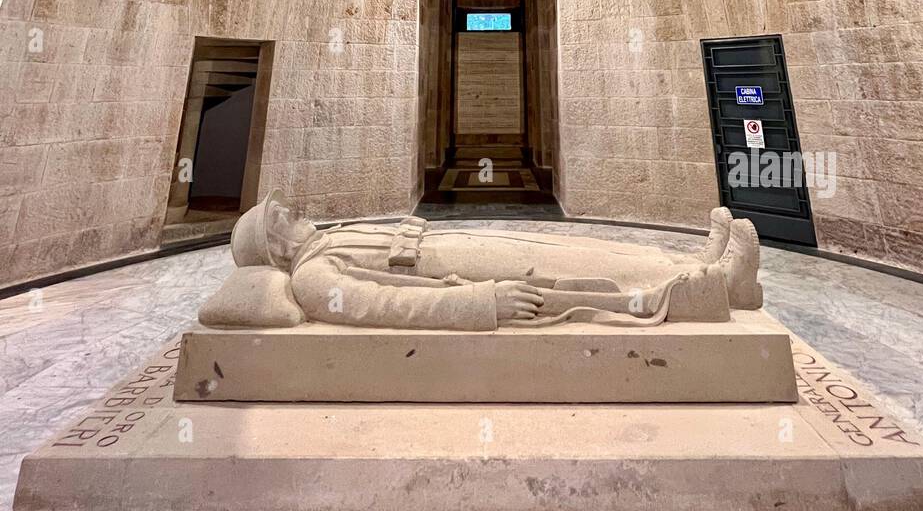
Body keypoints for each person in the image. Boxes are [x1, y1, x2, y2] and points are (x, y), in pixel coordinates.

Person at [198, 196, 763, 332]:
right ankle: (715, 288)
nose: (294, 213)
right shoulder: (313, 277)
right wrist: (480, 302)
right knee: (582, 270)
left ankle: (693, 261)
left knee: (578, 249)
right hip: (457, 272)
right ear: (277, 248)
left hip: (457, 242)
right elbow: (391, 307)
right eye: (282, 219)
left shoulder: (330, 238)